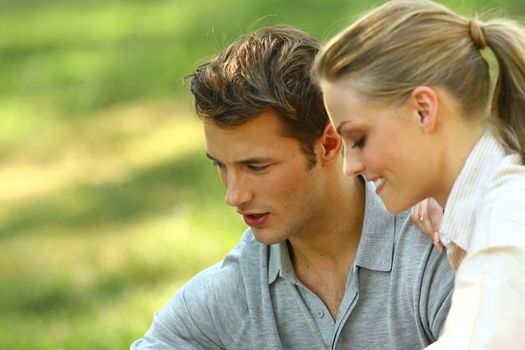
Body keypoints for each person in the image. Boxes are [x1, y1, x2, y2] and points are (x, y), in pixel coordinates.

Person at [131, 25, 454, 350]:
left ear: (328, 144)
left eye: (256, 167)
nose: (234, 196)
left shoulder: (435, 245)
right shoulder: (238, 289)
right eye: (220, 165)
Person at [313, 0, 525, 348]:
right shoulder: (483, 206)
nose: (350, 167)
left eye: (359, 139)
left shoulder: (508, 216)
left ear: (423, 110)